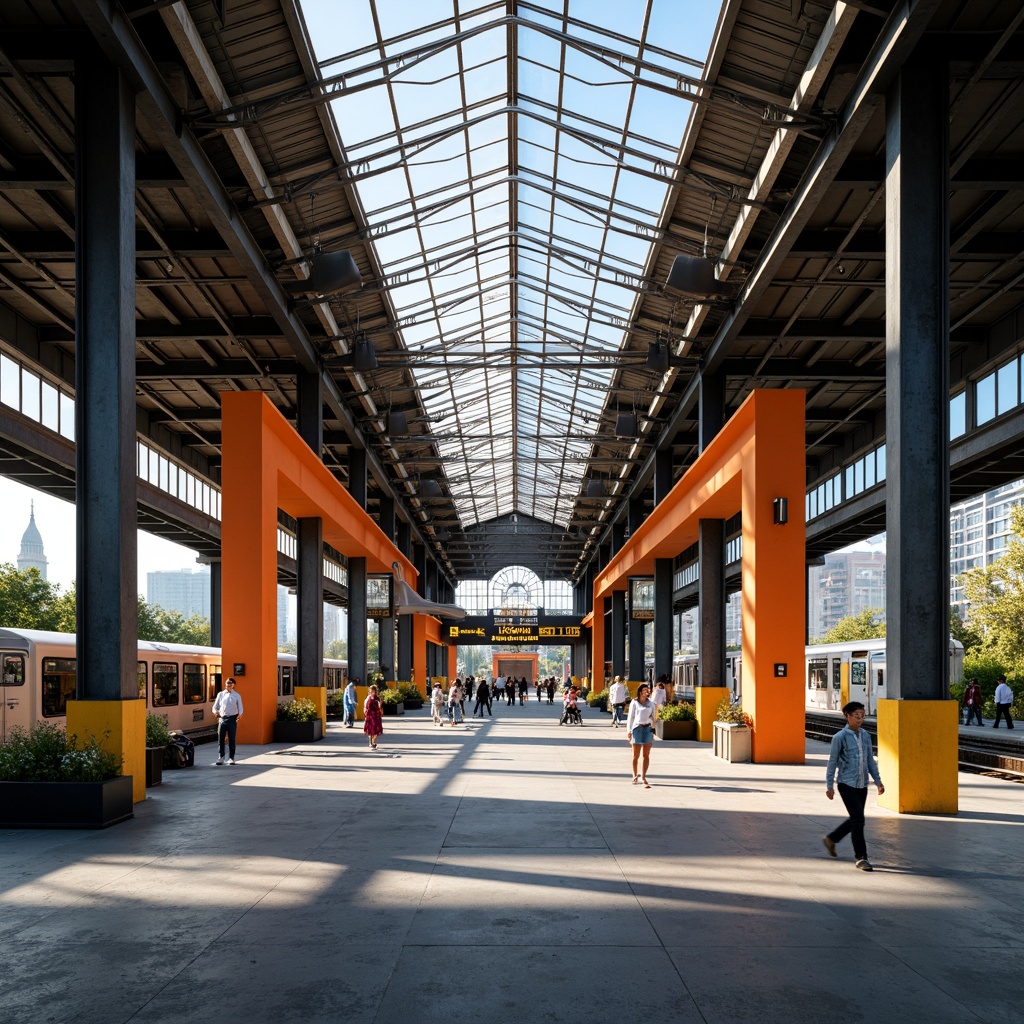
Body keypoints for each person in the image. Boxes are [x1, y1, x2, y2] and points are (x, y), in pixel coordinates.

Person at [823, 701, 885, 871]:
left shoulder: (865, 735)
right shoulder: (839, 737)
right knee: (858, 820)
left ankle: (832, 839)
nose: (860, 719)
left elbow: (870, 761)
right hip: (846, 784)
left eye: (862, 716)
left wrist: (878, 781)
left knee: (856, 819)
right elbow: (832, 762)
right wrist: (830, 786)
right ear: (847, 716)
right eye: (856, 716)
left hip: (862, 785)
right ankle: (861, 857)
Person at [625, 682, 656, 787]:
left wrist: (653, 729)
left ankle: (643, 776)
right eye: (644, 690)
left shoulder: (651, 703)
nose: (646, 692)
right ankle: (634, 775)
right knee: (636, 755)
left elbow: (654, 717)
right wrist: (629, 731)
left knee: (646, 754)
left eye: (647, 690)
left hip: (647, 728)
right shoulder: (634, 702)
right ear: (640, 691)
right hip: (637, 729)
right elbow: (631, 717)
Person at [212, 677, 244, 765]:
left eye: (231, 683)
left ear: (233, 685)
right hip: (222, 718)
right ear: (225, 684)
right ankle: (221, 757)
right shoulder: (220, 694)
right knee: (221, 739)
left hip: (232, 719)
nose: (229, 685)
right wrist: (215, 712)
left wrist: (240, 715)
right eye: (227, 683)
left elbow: (240, 708)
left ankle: (231, 757)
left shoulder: (237, 695)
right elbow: (215, 706)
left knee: (232, 739)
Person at [363, 684, 383, 750]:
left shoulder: (377, 699)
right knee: (370, 731)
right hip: (370, 716)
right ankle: (371, 743)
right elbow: (365, 707)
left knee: (376, 731)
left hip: (376, 716)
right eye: (371, 692)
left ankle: (373, 742)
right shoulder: (368, 698)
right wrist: (365, 714)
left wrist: (380, 711)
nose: (372, 693)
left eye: (373, 691)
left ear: (375, 692)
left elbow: (380, 707)